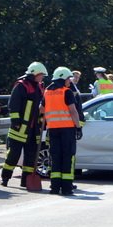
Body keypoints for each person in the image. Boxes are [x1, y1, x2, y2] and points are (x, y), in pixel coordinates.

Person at [2, 61, 47, 187]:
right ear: (34, 74)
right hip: (20, 128)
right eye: (41, 75)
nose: (42, 77)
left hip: (33, 129)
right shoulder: (21, 86)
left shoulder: (40, 87)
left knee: (31, 157)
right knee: (13, 155)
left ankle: (26, 181)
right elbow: (13, 105)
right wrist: (15, 121)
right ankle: (5, 178)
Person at [43, 66, 81, 196]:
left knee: (55, 157)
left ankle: (54, 187)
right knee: (67, 157)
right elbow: (73, 111)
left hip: (53, 129)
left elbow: (41, 109)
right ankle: (66, 188)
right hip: (67, 129)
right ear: (63, 79)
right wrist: (78, 126)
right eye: (68, 79)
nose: (69, 81)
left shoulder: (47, 92)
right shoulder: (67, 92)